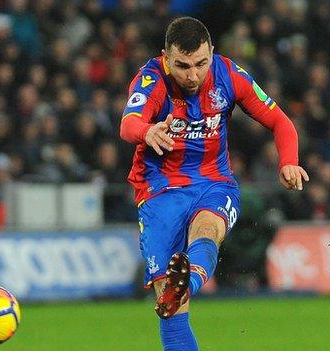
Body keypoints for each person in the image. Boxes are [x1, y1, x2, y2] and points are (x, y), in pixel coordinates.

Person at [119, 17, 308, 350]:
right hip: (159, 190)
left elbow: (280, 121)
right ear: (166, 56)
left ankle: (187, 282)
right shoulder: (151, 80)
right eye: (183, 66)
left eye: (200, 64)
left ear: (212, 53)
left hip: (213, 181)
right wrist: (146, 131)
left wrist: (288, 160)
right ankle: (182, 287)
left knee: (208, 228)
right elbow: (128, 123)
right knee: (172, 313)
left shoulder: (228, 75)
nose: (193, 75)